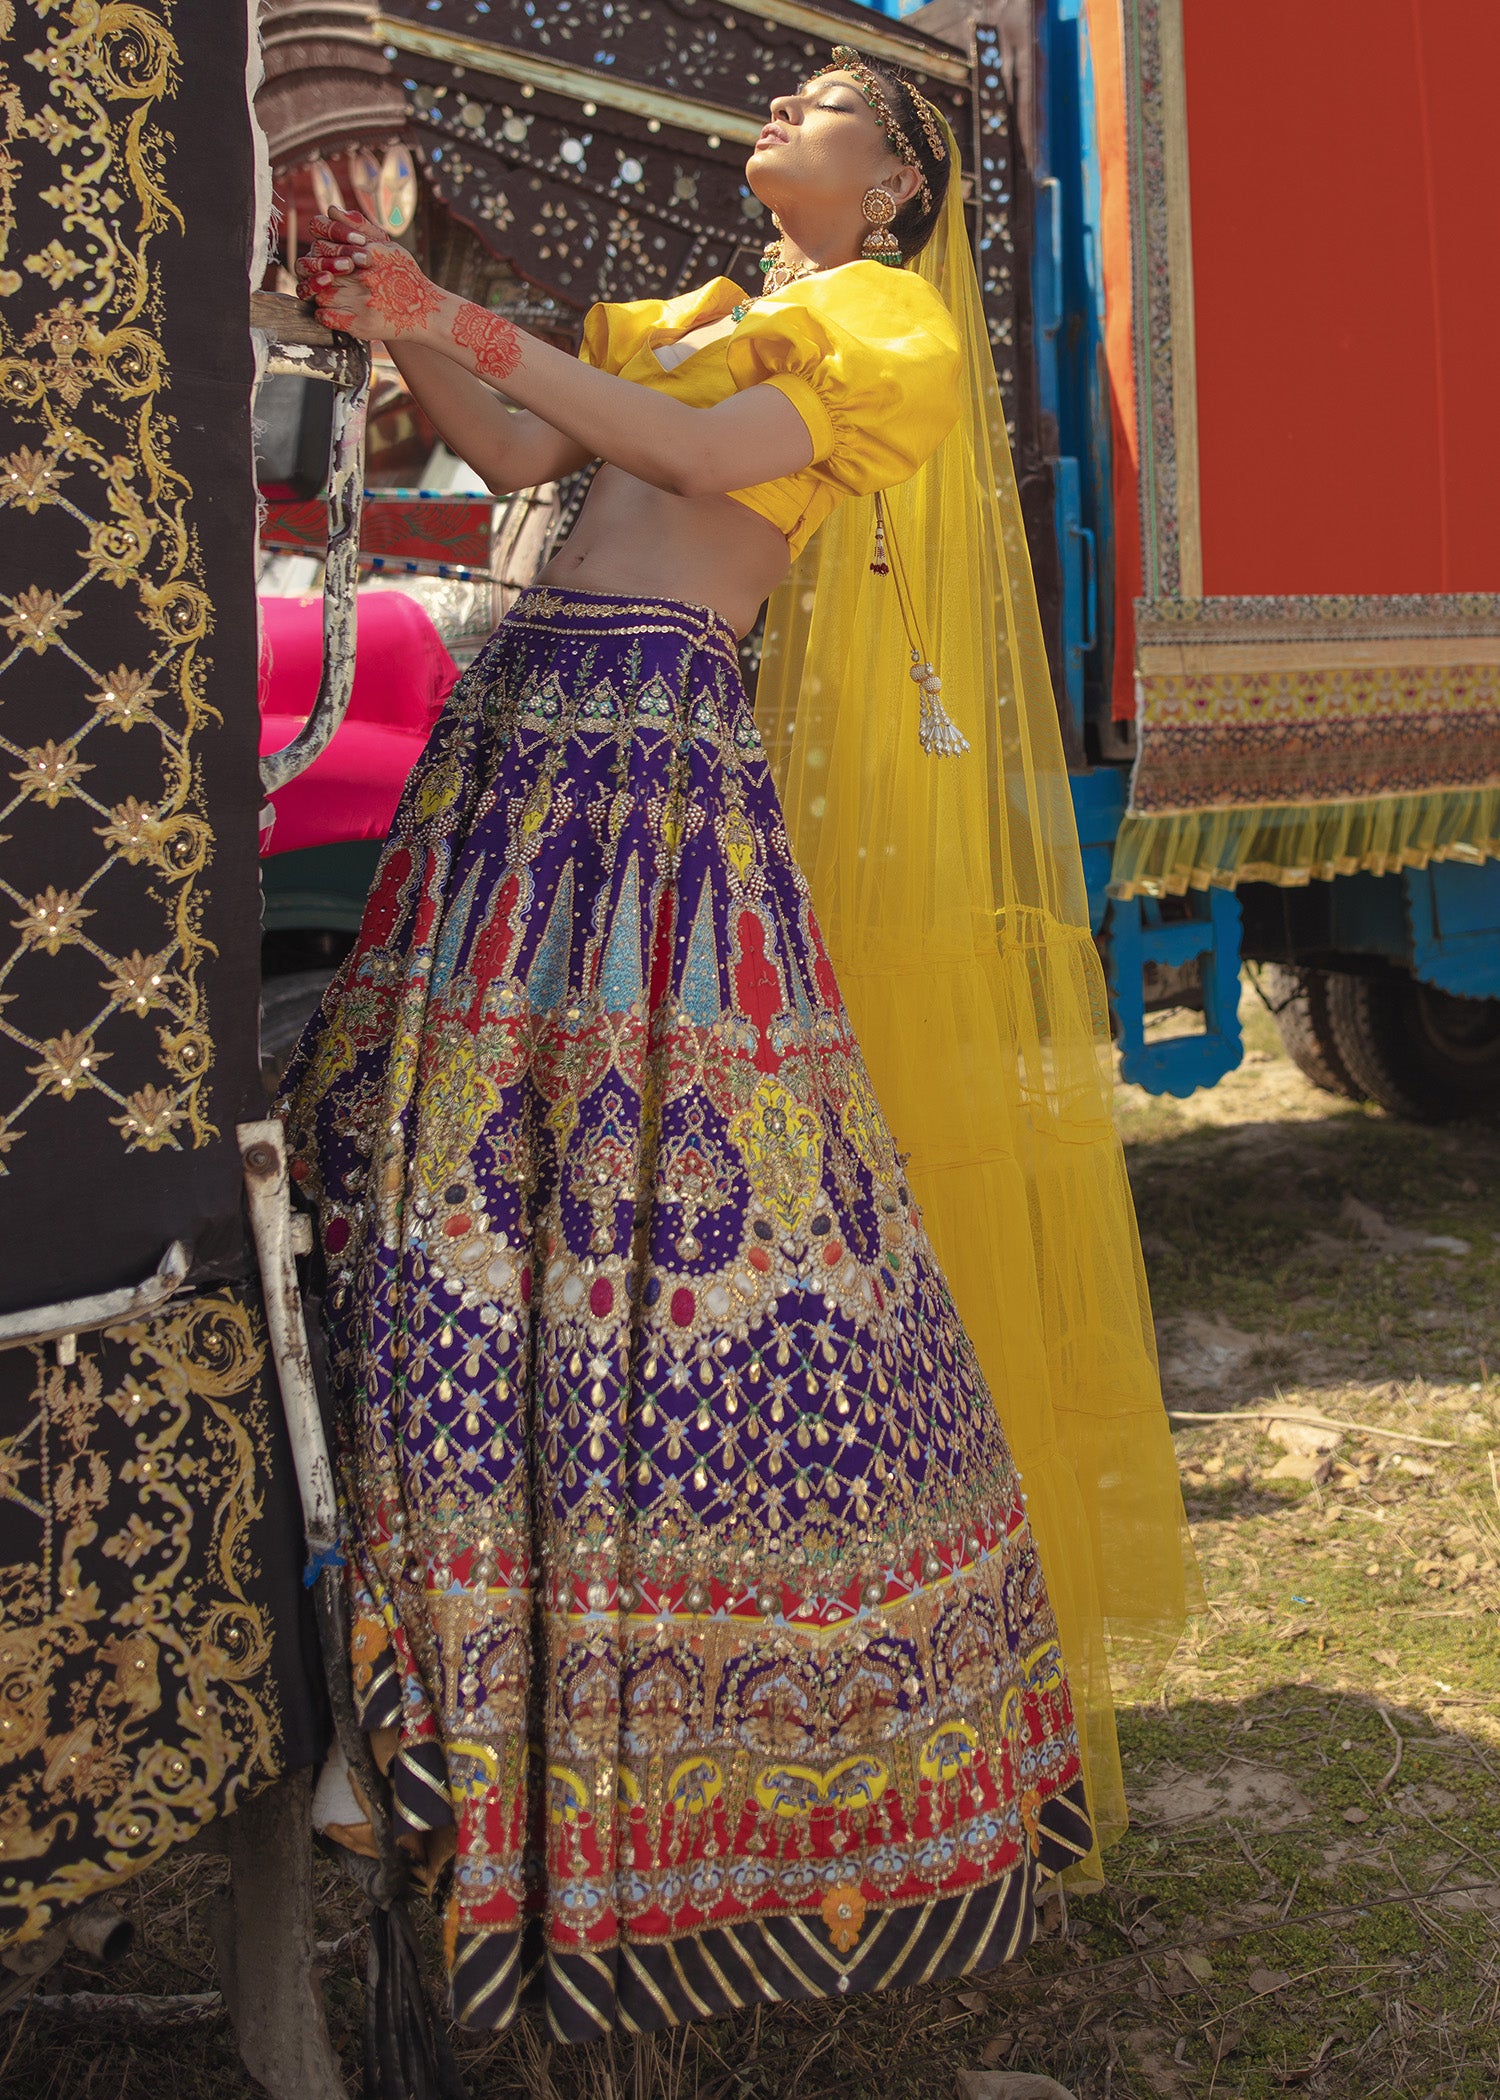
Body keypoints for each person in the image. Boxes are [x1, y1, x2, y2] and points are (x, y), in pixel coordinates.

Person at [283, 47, 1193, 2045]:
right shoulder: (697, 312)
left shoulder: (881, 329)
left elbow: (698, 466)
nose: (777, 118)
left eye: (820, 103)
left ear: (897, 183)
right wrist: (392, 324)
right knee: (413, 1168)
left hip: (646, 785)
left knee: (640, 1231)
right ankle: (420, 1669)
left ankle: (585, 1729)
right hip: (520, 745)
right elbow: (529, 460)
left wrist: (459, 311)